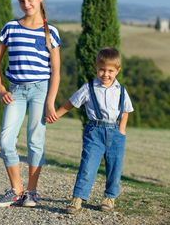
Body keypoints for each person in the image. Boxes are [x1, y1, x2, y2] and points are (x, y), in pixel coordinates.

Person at [0, 0, 61, 208]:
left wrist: (51, 101)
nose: (26, 4)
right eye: (22, 1)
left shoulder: (51, 33)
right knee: (5, 140)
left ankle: (32, 192)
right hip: (16, 91)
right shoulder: (11, 27)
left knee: (35, 141)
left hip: (41, 90)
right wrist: (1, 88)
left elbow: (56, 71)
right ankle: (16, 190)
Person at [53, 47, 133, 213]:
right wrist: (56, 115)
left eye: (110, 71)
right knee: (88, 164)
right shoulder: (88, 88)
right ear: (96, 68)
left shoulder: (121, 91)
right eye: (102, 70)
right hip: (94, 131)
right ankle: (77, 198)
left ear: (117, 71)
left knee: (114, 167)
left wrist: (122, 130)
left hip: (115, 133)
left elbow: (126, 111)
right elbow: (71, 103)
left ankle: (109, 198)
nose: (105, 74)